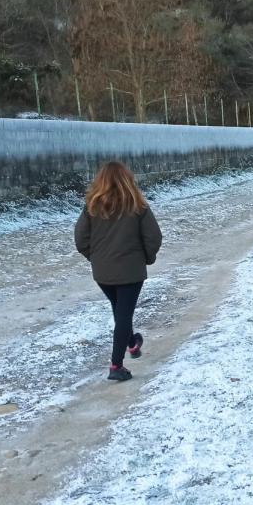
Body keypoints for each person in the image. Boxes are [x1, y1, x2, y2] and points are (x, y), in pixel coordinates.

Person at [74, 161, 162, 382]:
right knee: (123, 314)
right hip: (131, 271)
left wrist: (95, 259)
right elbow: (154, 238)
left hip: (103, 273)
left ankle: (132, 344)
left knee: (120, 310)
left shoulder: (92, 206)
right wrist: (146, 259)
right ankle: (116, 365)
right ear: (127, 179)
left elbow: (80, 239)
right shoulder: (138, 206)